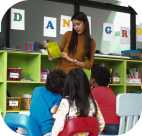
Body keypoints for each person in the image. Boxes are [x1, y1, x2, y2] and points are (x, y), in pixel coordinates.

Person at [51, 68, 105, 136]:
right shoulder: (92, 102)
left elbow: (57, 128)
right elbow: (102, 124)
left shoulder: (66, 102)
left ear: (68, 85)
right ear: (85, 85)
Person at [29, 69, 66, 136]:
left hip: (31, 128)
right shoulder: (59, 97)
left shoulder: (36, 90)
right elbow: (54, 112)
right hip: (47, 130)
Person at [91, 64, 120, 135]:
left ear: (93, 80)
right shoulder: (111, 92)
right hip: (118, 126)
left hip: (106, 127)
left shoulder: (93, 92)